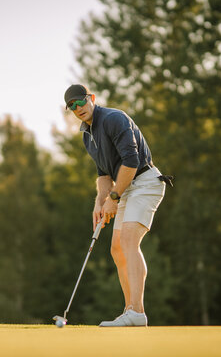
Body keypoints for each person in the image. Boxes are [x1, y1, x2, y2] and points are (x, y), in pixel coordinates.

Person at [64, 84, 172, 327]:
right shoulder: (86, 134)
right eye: (71, 106)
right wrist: (100, 202)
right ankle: (129, 311)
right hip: (124, 188)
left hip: (145, 182)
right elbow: (104, 174)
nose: (77, 108)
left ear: (91, 98)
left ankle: (137, 312)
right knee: (116, 248)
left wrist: (113, 199)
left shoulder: (114, 118)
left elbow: (131, 162)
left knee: (128, 241)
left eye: (80, 102)